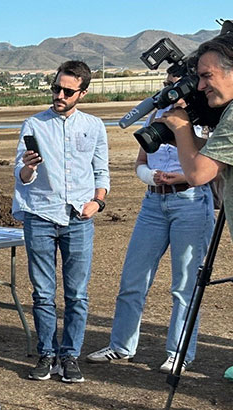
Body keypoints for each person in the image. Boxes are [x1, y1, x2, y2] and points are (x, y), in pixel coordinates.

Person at [152, 31, 233, 410]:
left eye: (206, 76)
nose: (200, 87)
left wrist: (179, 125)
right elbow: (222, 175)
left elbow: (200, 173)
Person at [87, 69, 215, 373]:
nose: (170, 93)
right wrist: (150, 176)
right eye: (167, 87)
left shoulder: (208, 118)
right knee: (133, 278)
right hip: (153, 202)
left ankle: (179, 352)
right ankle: (121, 346)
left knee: (185, 284)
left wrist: (184, 175)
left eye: (177, 87)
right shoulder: (156, 116)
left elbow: (213, 165)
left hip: (192, 201)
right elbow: (141, 161)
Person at [13, 60, 110, 384]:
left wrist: (97, 201)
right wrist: (29, 167)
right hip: (39, 214)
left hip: (79, 218)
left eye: (68, 91)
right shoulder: (34, 125)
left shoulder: (94, 126)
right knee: (42, 292)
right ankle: (47, 353)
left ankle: (69, 355)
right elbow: (21, 177)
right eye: (56, 88)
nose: (59, 95)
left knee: (77, 294)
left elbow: (101, 171)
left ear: (82, 93)